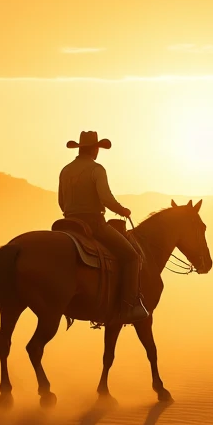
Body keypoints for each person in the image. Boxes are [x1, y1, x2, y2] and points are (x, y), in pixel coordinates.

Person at [58, 131, 148, 323]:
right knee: (132, 257)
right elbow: (105, 198)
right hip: (93, 223)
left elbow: (61, 201)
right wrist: (122, 210)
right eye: (98, 148)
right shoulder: (97, 169)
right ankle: (128, 307)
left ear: (80, 148)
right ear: (94, 149)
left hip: (67, 222)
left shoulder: (65, 170)